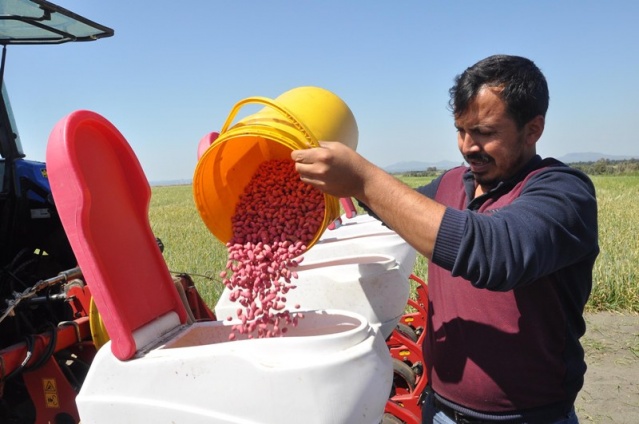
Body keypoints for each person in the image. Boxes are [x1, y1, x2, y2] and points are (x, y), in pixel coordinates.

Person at [291, 54, 599, 423]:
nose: (468, 146)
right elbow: (399, 208)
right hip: (441, 411)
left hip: (531, 416)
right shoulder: (454, 182)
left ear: (533, 129)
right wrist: (330, 185)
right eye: (461, 129)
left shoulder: (563, 193)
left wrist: (363, 179)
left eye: (485, 132)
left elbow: (495, 254)